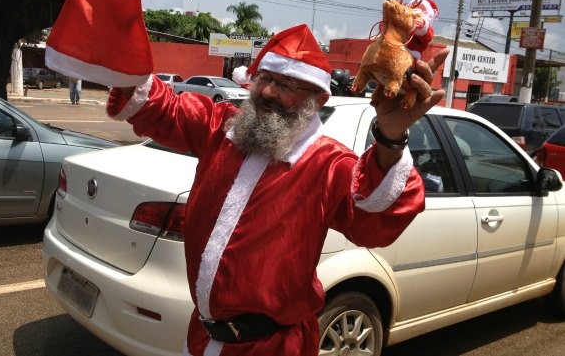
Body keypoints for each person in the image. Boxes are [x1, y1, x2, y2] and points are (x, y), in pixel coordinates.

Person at [105, 23, 448, 356]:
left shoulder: (328, 163)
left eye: (286, 85)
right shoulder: (223, 129)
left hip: (275, 347)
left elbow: (376, 218)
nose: (268, 92)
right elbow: (162, 108)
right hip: (202, 337)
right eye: (266, 79)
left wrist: (389, 138)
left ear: (318, 97)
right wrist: (125, 53)